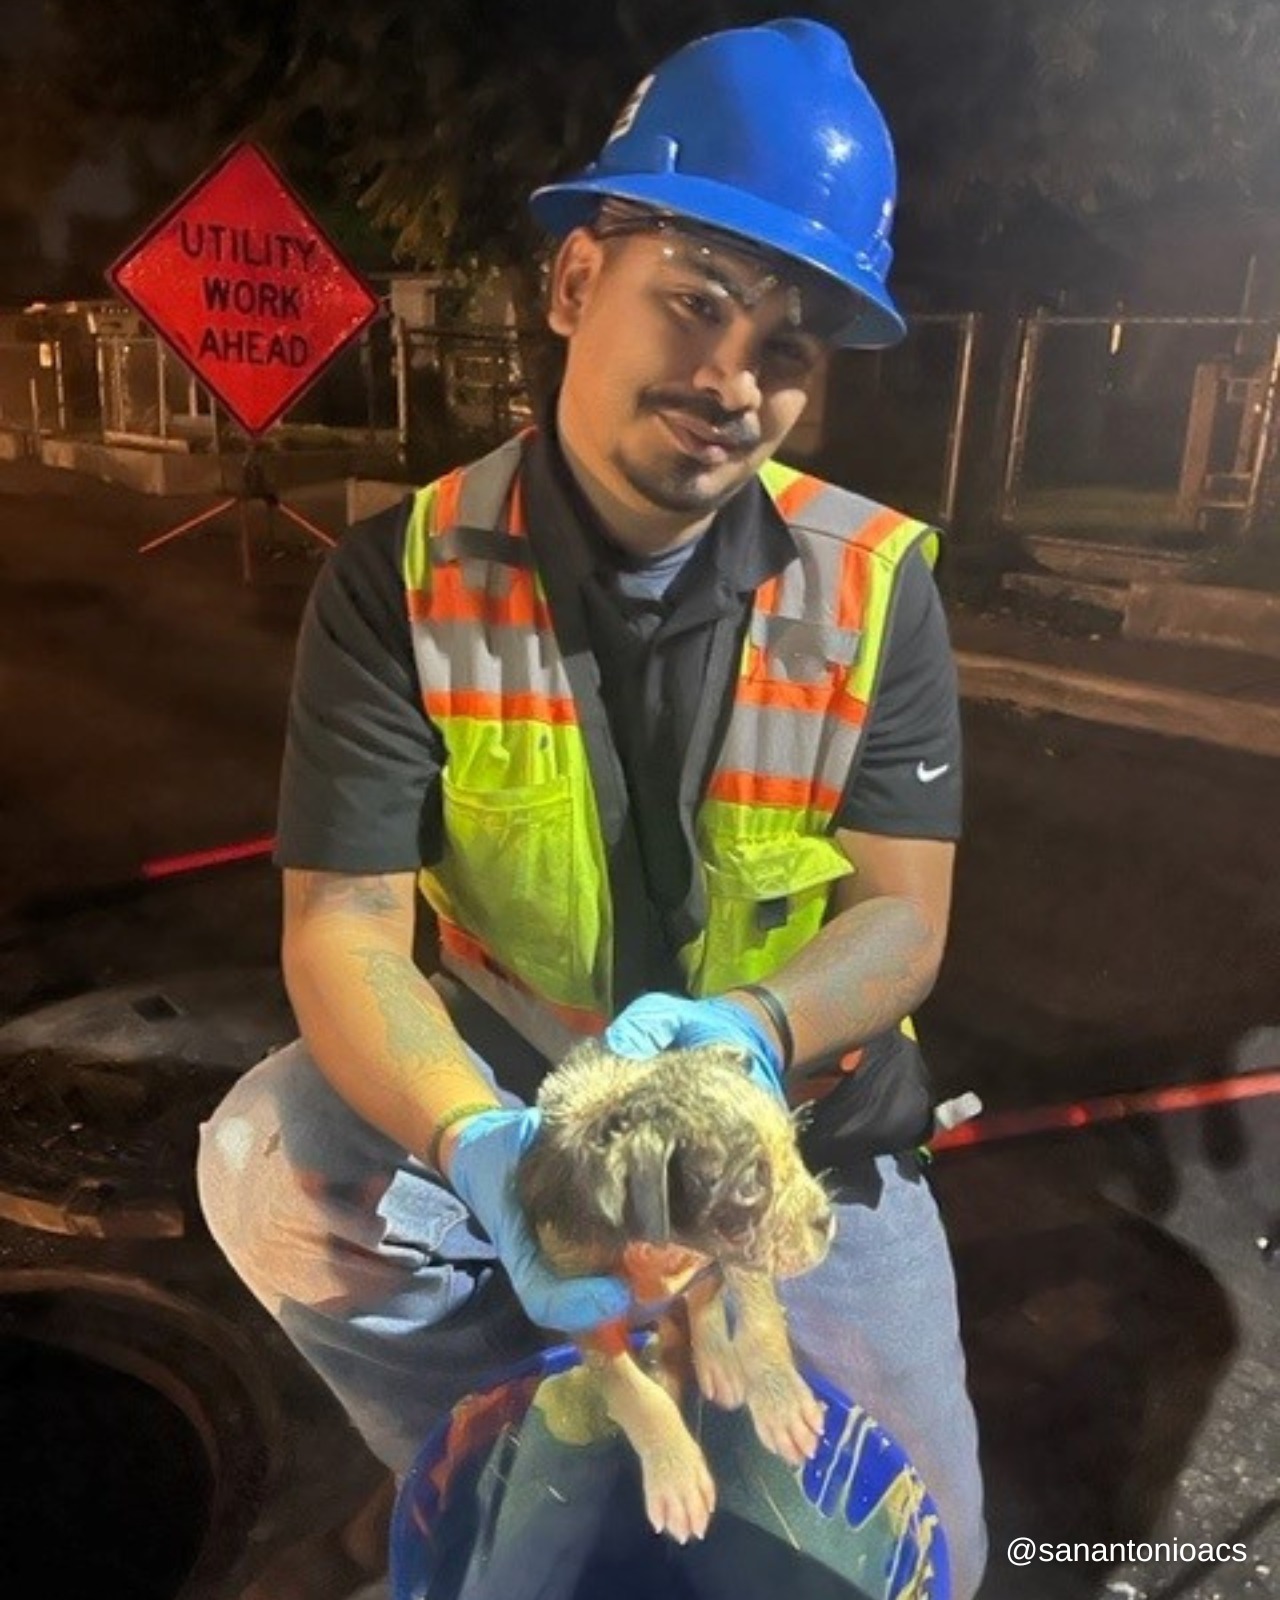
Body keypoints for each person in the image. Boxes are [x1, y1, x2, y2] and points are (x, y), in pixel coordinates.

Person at [197, 17, 986, 1599]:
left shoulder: (874, 588)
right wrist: (482, 1142)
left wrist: (757, 1031)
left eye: (786, 347)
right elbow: (344, 932)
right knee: (271, 1162)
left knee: (931, 1562)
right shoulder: (401, 580)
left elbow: (904, 919)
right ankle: (512, 1433)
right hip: (530, 1101)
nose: (731, 379)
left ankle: (670, 1408)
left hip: (791, 1140)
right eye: (693, 302)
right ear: (573, 285)